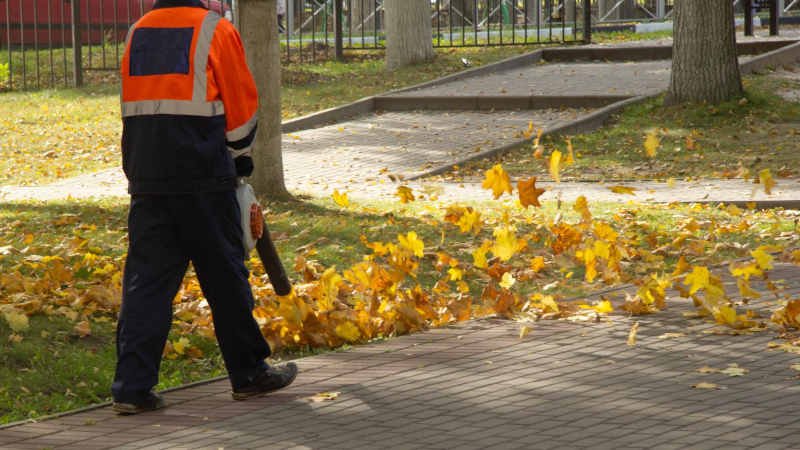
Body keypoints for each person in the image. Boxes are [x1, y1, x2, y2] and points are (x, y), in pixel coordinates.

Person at [112, 0, 297, 415]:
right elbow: (242, 110)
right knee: (225, 278)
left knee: (147, 284)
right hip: (203, 176)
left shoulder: (137, 31)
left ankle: (131, 387)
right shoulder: (215, 30)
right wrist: (240, 158)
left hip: (147, 177)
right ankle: (248, 374)